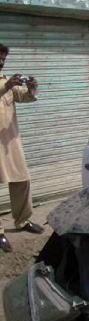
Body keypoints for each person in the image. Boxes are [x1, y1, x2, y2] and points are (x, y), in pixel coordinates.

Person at [0, 44, 44, 252]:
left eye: (3, 59)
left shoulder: (5, 80)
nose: (1, 62)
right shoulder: (5, 83)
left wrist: (32, 87)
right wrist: (7, 86)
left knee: (22, 179)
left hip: (10, 141)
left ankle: (22, 220)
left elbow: (24, 96)